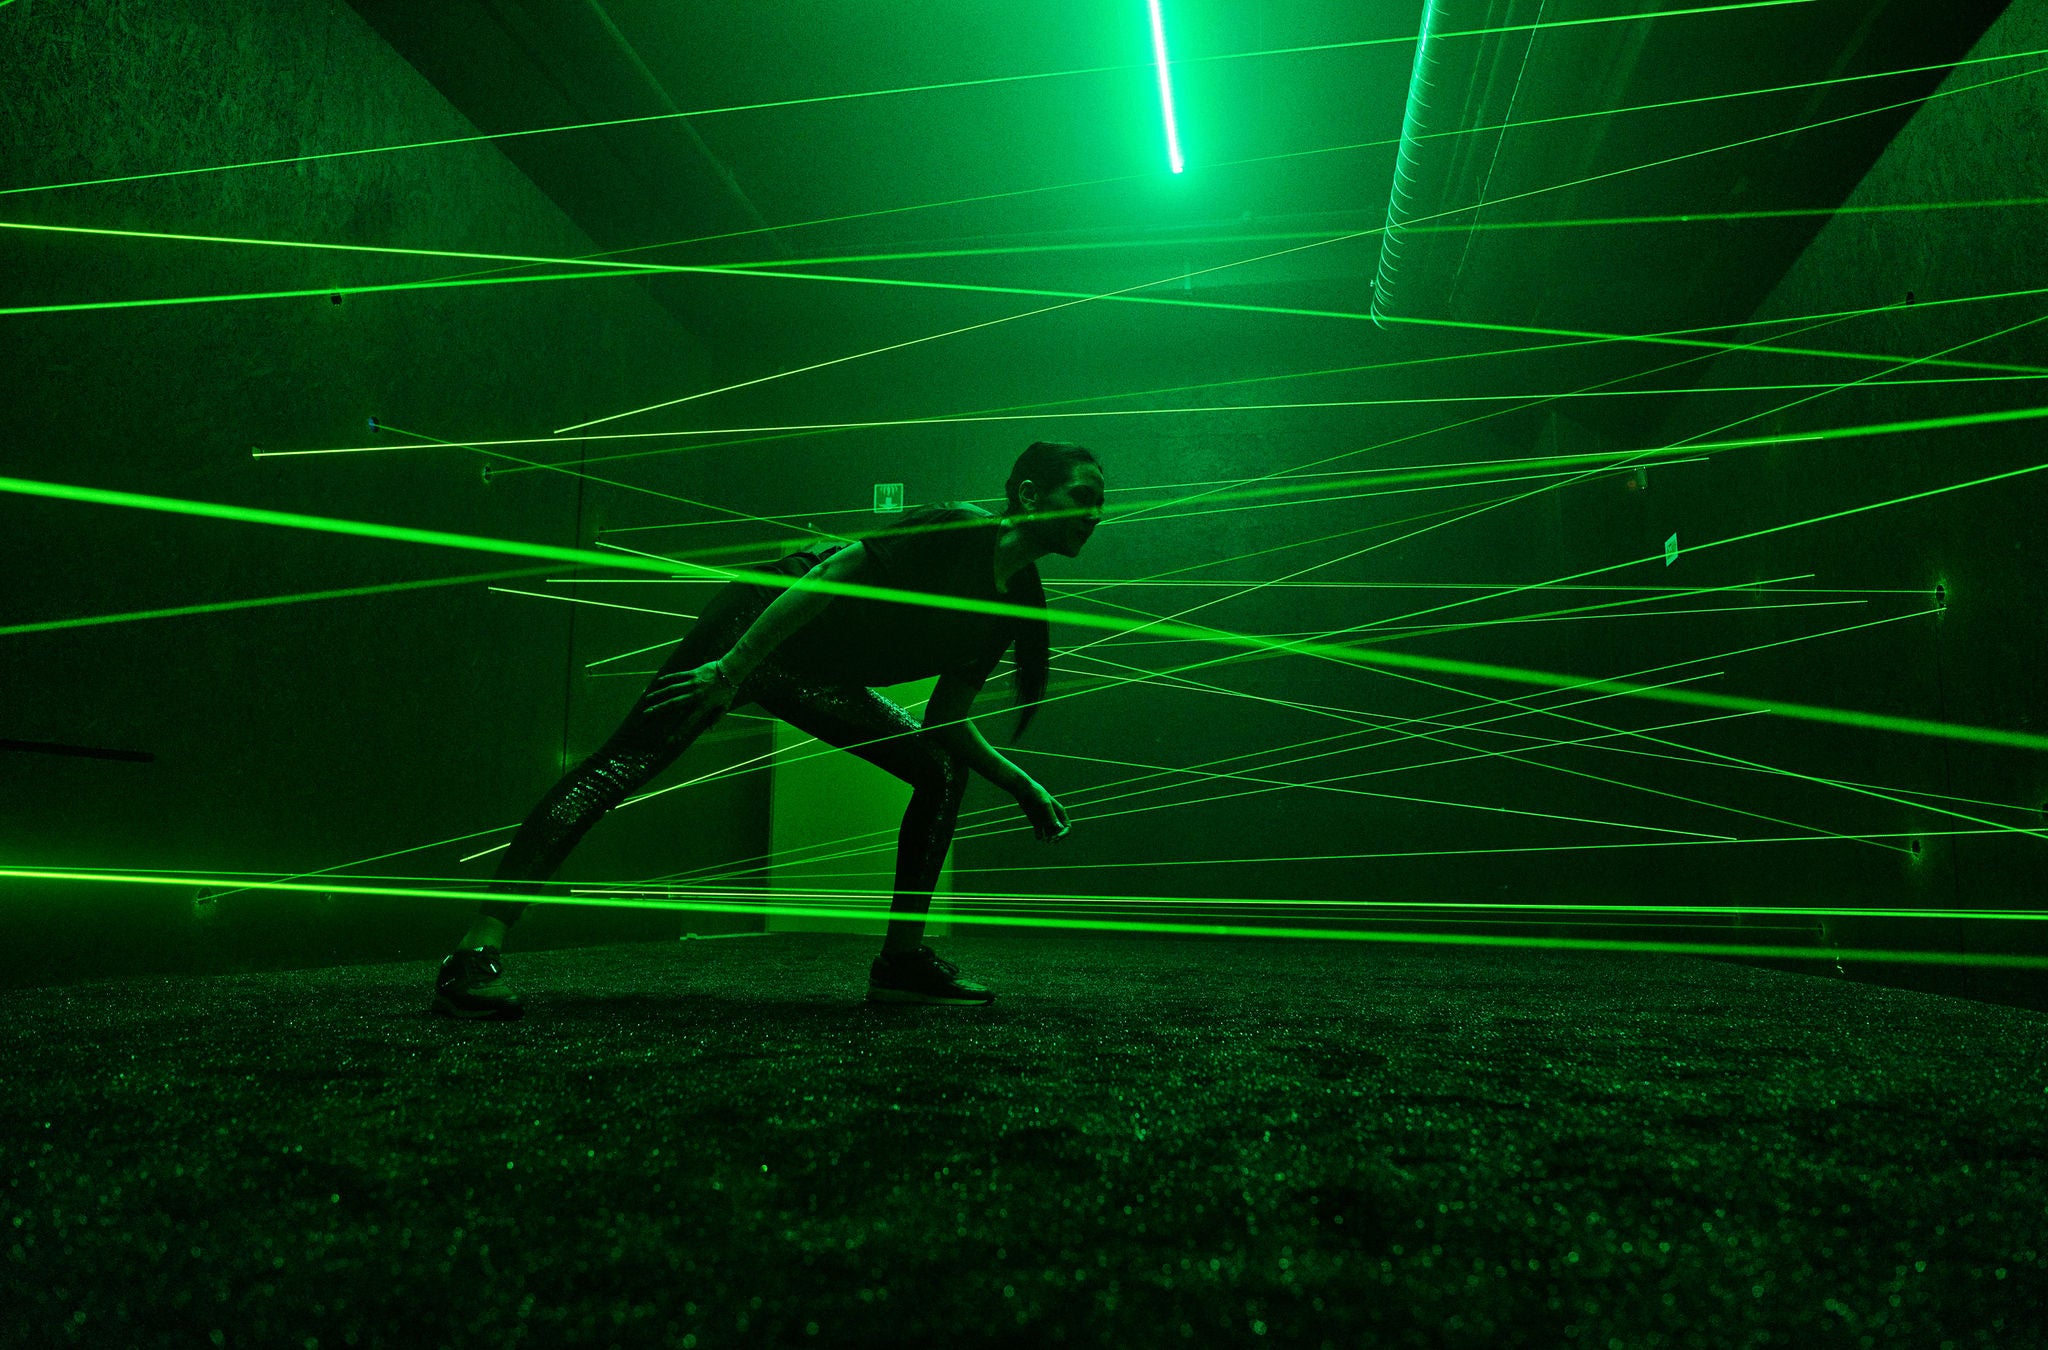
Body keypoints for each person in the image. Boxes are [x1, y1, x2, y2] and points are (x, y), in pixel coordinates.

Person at [431, 441, 1106, 1020]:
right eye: (1084, 495)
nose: (1097, 514)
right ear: (1027, 493)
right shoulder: (960, 528)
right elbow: (830, 574)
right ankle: (473, 952)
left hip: (819, 676)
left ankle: (901, 964)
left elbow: (946, 722)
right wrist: (729, 670)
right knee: (626, 764)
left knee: (937, 769)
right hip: (756, 628)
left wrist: (1023, 786)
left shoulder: (1015, 604)